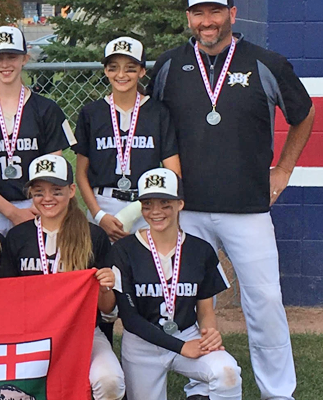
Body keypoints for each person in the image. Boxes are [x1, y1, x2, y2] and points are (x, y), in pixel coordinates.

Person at [146, 0, 315, 397]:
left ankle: (278, 391)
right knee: (183, 299)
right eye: (199, 13)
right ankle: (199, 384)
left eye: (215, 12)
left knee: (265, 302)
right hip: (185, 208)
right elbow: (152, 122)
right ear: (189, 18)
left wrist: (285, 169)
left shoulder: (265, 62)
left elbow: (303, 113)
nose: (207, 22)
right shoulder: (169, 65)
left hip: (248, 207)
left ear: (232, 15)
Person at [0, 154, 124, 399]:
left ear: (71, 190)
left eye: (56, 190)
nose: (47, 198)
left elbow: (109, 312)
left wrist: (105, 287)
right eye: (39, 191)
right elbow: (7, 299)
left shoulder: (93, 236)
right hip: (31, 334)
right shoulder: (18, 237)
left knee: (110, 380)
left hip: (82, 331)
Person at [114, 168, 241, 399]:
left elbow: (205, 310)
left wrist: (209, 333)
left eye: (165, 203)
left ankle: (199, 394)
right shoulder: (124, 250)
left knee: (227, 372)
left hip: (186, 334)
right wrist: (181, 348)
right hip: (143, 344)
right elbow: (130, 320)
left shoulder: (200, 250)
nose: (156, 211)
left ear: (180, 204)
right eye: (148, 204)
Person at [0, 26, 76, 235]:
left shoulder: (47, 110)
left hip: (37, 205)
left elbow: (51, 170)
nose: (5, 64)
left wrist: (31, 208)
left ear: (24, 58)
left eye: (12, 57)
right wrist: (11, 212)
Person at [74, 36, 180, 241]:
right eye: (113, 67)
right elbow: (81, 174)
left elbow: (173, 171)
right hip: (103, 204)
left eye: (130, 68)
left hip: (148, 205)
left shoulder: (157, 112)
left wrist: (139, 211)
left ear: (142, 71)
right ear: (106, 71)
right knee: (103, 270)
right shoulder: (92, 113)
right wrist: (99, 215)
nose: (121, 74)